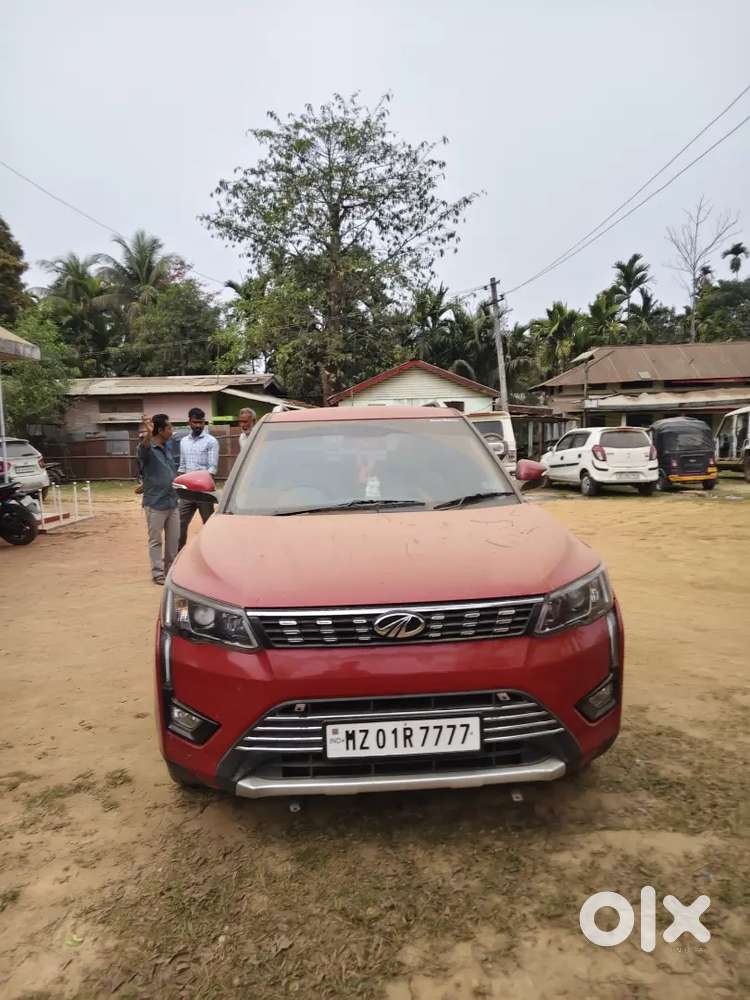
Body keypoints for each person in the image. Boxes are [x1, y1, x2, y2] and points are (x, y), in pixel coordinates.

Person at [138, 413, 179, 585]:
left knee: (173, 540)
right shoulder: (146, 448)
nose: (172, 430)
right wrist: (149, 430)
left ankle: (170, 571)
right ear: (160, 430)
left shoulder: (167, 447)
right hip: (155, 503)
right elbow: (146, 445)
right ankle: (157, 573)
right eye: (169, 427)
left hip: (172, 501)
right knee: (155, 540)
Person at [177, 406, 219, 550]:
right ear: (189, 422)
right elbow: (182, 467)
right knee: (179, 524)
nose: (198, 425)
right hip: (186, 492)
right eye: (195, 422)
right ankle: (178, 556)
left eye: (201, 422)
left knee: (209, 526)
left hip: (204, 492)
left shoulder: (211, 441)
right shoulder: (183, 441)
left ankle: (212, 554)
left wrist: (201, 484)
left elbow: (212, 469)